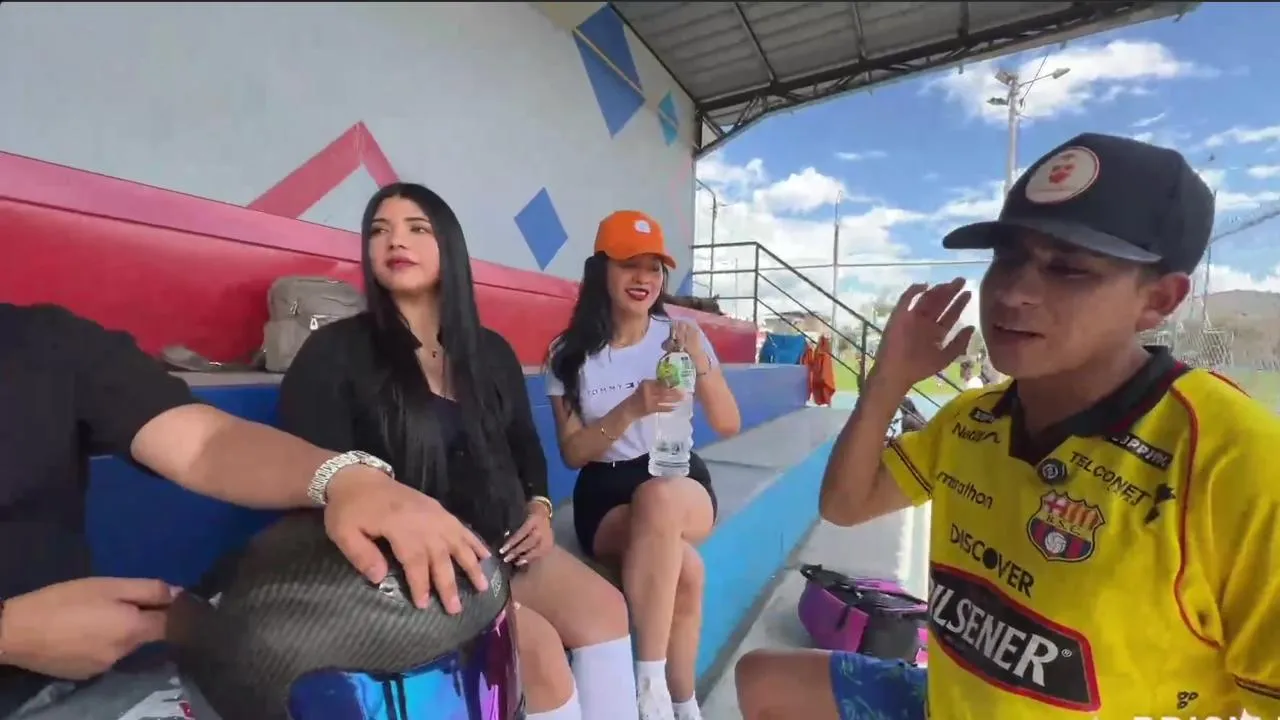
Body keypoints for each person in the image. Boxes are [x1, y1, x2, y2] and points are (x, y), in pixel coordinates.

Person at [734, 133, 1280, 719]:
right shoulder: (973, 418)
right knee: (765, 680)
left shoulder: (1235, 459)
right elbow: (846, 505)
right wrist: (889, 379)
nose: (1015, 293)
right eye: (1008, 257)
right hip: (946, 703)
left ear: (1160, 300)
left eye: (1068, 269)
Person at [0, 309, 493, 716]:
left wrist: (349, 479)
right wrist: (9, 634)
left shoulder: (40, 342)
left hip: (74, 685)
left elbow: (204, 444)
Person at [277, 183, 638, 720]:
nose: (395, 240)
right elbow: (313, 479)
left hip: (501, 547)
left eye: (417, 228)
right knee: (534, 649)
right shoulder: (334, 352)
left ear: (449, 245)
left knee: (605, 609)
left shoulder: (491, 352)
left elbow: (526, 449)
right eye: (380, 230)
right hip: (409, 567)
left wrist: (539, 510)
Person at [546, 210, 742, 720]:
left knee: (659, 497)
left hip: (677, 474)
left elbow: (728, 423)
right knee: (688, 571)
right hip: (606, 489)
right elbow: (572, 454)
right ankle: (684, 704)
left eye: (654, 268)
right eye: (629, 264)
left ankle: (648, 686)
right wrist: (632, 407)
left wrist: (700, 359)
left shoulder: (681, 335)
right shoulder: (567, 354)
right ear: (600, 270)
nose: (643, 279)